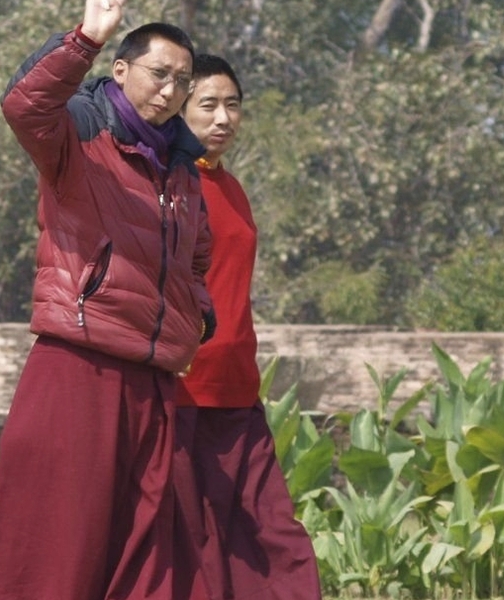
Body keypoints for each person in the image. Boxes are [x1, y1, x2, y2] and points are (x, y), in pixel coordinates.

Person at [0, 0, 216, 598]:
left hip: (154, 378)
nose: (170, 90)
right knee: (58, 547)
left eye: (182, 81)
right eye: (158, 74)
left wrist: (197, 314)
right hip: (79, 367)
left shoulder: (182, 167)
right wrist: (86, 37)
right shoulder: (80, 138)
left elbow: (196, 254)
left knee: (147, 553)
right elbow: (23, 105)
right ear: (120, 71)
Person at [179, 53, 322, 600]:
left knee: (272, 532)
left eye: (232, 105)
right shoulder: (165, 183)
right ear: (178, 108)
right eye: (208, 105)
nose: (222, 118)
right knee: (195, 536)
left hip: (237, 384)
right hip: (182, 386)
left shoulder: (232, 189)